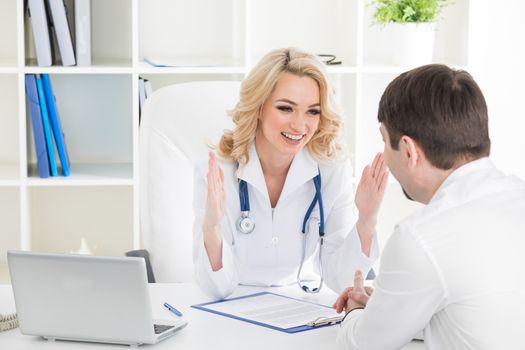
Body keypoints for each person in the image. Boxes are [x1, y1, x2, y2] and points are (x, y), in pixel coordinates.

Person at [333, 64, 525, 349]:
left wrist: (357, 312)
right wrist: (395, 303)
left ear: (409, 150)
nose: (384, 155)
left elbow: (359, 346)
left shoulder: (420, 238)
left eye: (385, 141)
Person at [192, 47, 389, 299]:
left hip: (300, 304)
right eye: (286, 108)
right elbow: (216, 288)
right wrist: (211, 227)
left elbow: (341, 279)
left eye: (313, 111)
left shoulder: (330, 169)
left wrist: (367, 219)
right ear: (260, 107)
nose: (299, 125)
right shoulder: (217, 170)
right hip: (230, 304)